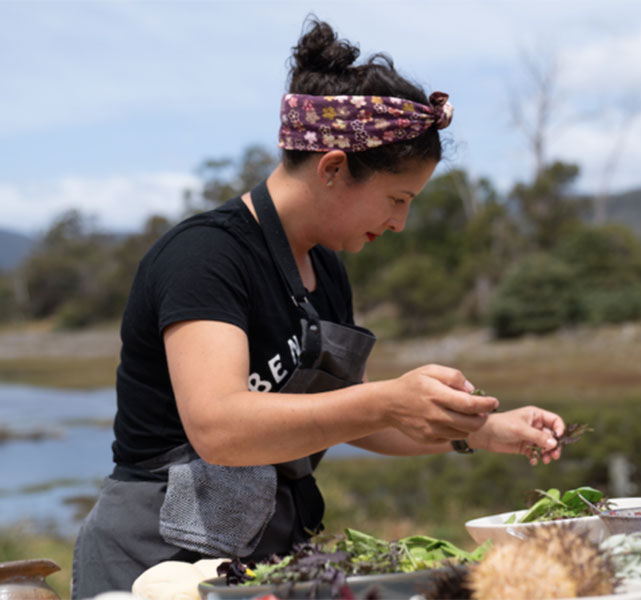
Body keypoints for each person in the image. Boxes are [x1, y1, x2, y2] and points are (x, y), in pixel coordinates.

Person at [71, 18, 566, 598]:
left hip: (259, 561)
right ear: (333, 168)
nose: (400, 223)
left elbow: (341, 416)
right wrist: (388, 397)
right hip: (154, 562)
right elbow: (220, 428)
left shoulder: (325, 267)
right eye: (396, 199)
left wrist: (479, 430)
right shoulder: (206, 256)